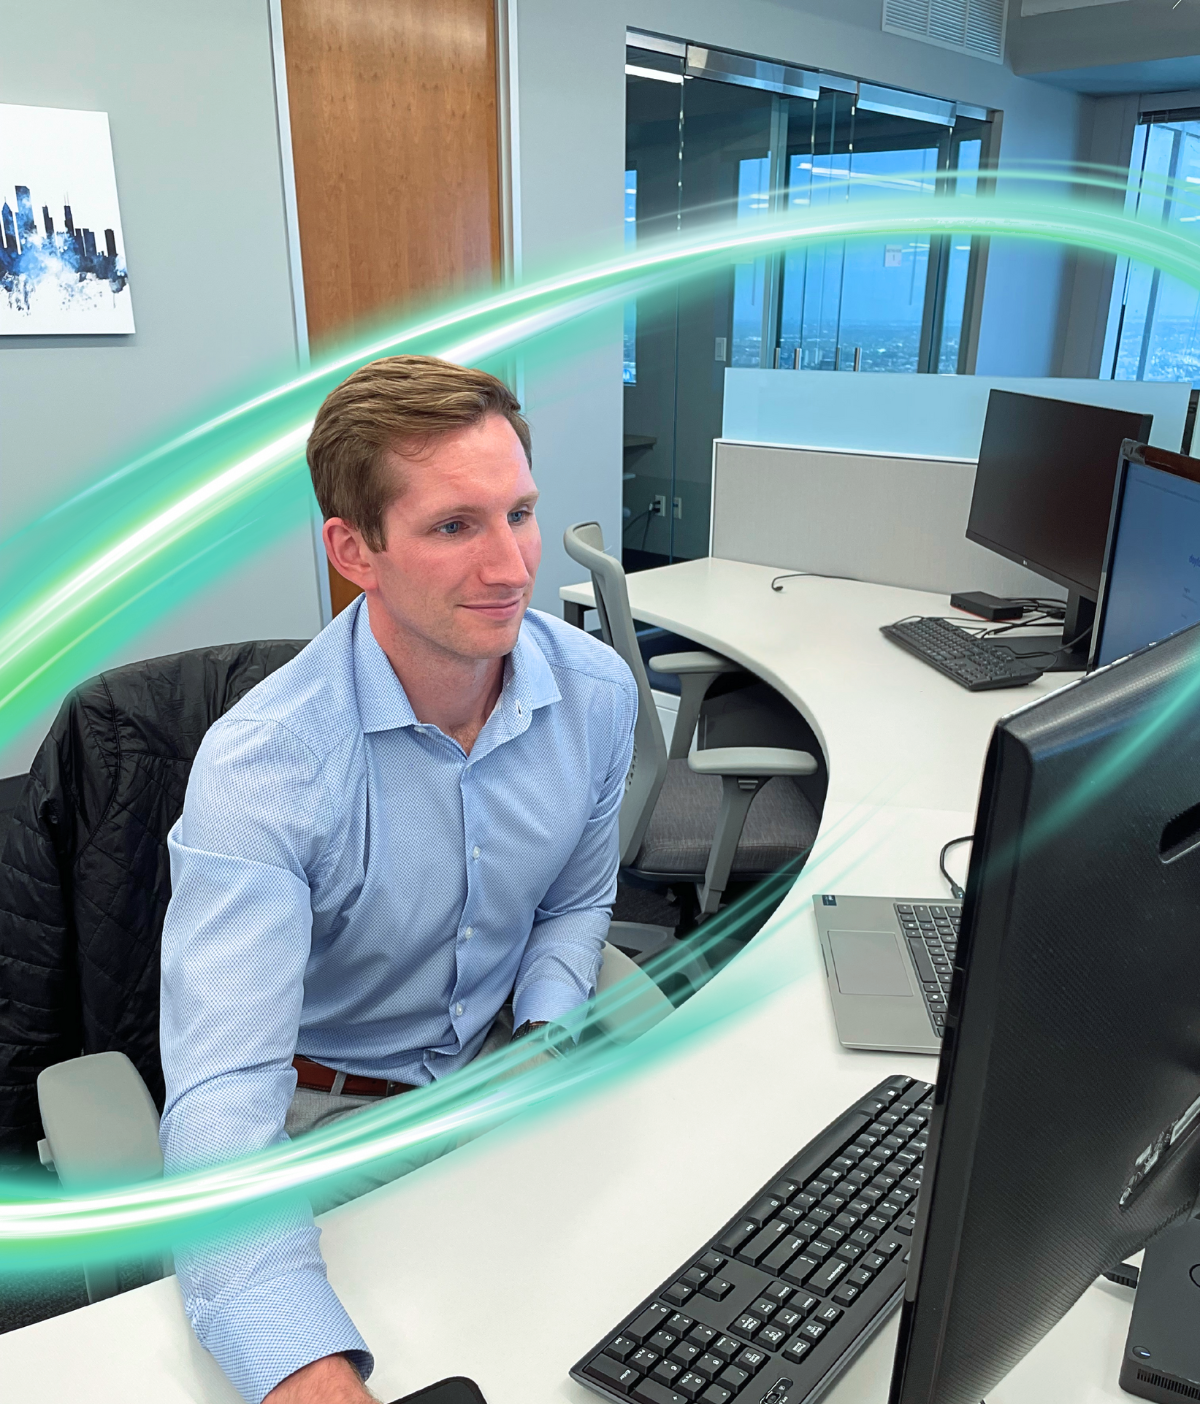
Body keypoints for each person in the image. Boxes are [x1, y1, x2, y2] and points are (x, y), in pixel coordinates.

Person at [158, 356, 637, 1404]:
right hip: (329, 1120)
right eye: (454, 527)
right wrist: (307, 1374)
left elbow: (575, 901)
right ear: (354, 551)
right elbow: (223, 1100)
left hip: (502, 1067)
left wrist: (549, 1032)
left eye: (520, 513)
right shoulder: (266, 772)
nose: (513, 566)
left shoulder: (596, 695)